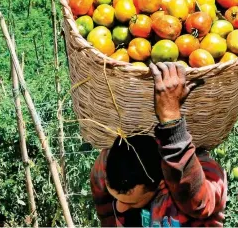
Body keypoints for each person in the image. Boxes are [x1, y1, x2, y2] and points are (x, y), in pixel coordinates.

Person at [90, 62, 227, 227]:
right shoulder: (105, 169)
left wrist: (170, 118)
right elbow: (105, 212)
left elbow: (198, 202)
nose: (120, 207)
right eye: (116, 198)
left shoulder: (206, 175)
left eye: (133, 203)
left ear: (161, 182)